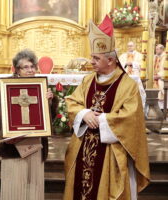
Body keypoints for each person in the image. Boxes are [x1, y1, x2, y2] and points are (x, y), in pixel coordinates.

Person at [63, 16, 150, 200]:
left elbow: (131, 118)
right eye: (92, 57)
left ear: (110, 60)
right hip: (83, 148)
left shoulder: (127, 85)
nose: (91, 61)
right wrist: (84, 113)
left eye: (96, 58)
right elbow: (72, 101)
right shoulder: (88, 80)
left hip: (111, 152)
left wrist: (101, 120)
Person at [0, 49, 58, 200]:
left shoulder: (40, 87)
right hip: (13, 146)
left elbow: (50, 119)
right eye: (25, 67)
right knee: (14, 187)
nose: (30, 70)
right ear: (16, 70)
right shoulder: (7, 88)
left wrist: (50, 101)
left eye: (32, 66)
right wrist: (6, 134)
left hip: (36, 144)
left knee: (34, 186)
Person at [153, 44, 166, 109]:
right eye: (156, 49)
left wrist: (160, 75)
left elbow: (166, 69)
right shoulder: (155, 57)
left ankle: (163, 110)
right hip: (154, 78)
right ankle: (155, 109)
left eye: (157, 49)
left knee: (162, 94)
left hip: (162, 78)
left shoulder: (166, 57)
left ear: (162, 49)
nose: (156, 50)